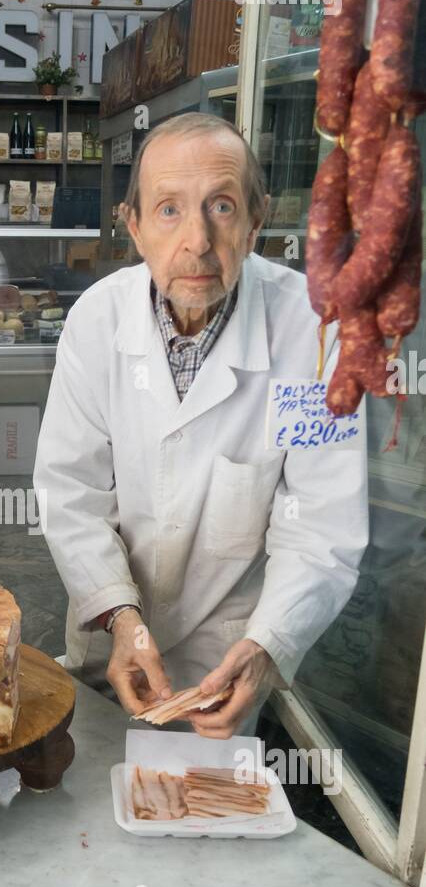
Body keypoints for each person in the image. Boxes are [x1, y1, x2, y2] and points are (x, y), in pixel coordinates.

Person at [34, 113, 369, 739]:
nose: (197, 239)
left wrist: (268, 646)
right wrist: (120, 614)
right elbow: (70, 492)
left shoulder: (315, 335)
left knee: (201, 814)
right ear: (133, 226)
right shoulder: (96, 323)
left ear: (255, 221)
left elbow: (321, 526)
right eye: (168, 210)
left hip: (229, 656)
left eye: (220, 205)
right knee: (93, 794)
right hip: (110, 629)